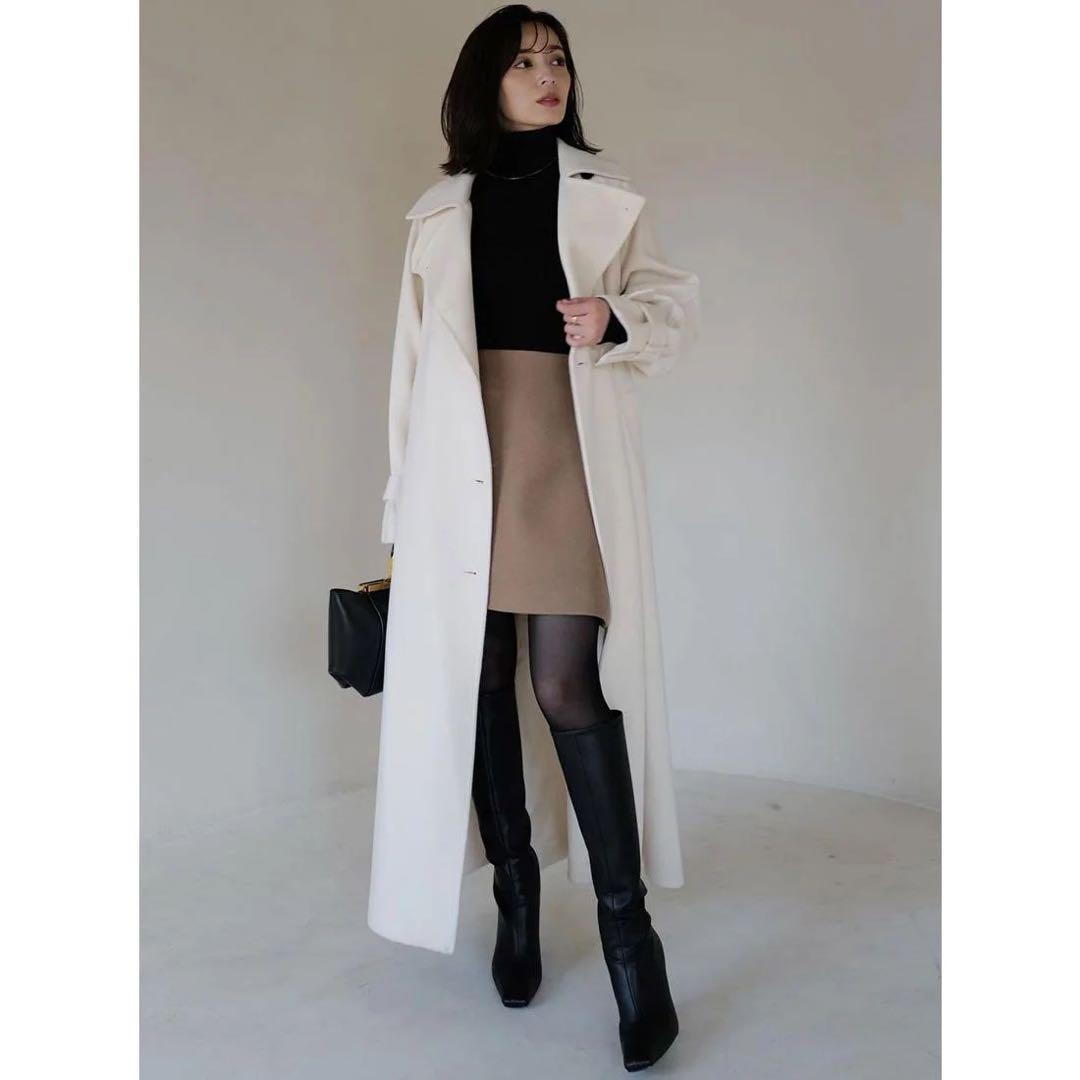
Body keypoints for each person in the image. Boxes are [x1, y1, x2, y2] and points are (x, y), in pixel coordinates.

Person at [371, 5, 699, 1072]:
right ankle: (517, 900)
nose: (547, 75)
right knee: (478, 680)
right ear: (487, 82)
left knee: (565, 684)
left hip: (563, 452)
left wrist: (617, 320)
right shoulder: (440, 214)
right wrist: (397, 517)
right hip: (460, 468)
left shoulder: (605, 195)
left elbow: (670, 304)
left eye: (557, 59)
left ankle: (629, 939)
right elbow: (410, 376)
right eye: (524, 62)